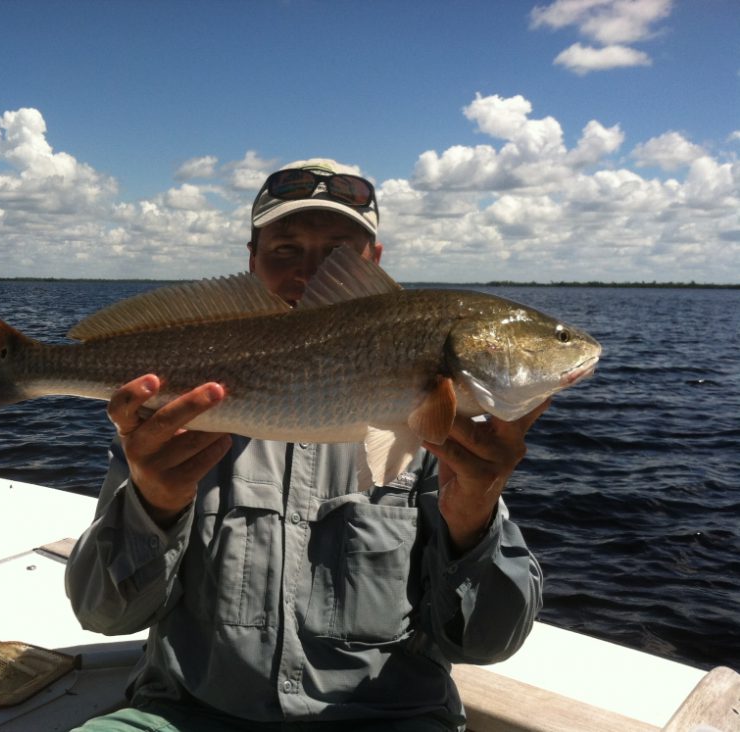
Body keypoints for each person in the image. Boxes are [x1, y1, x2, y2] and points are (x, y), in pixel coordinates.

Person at [65, 159, 546, 731]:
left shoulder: (444, 433)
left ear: (373, 263)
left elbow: (487, 645)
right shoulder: (174, 427)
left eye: (339, 254)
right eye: (285, 251)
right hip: (188, 712)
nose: (311, 274)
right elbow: (102, 615)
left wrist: (474, 514)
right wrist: (153, 500)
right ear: (251, 262)